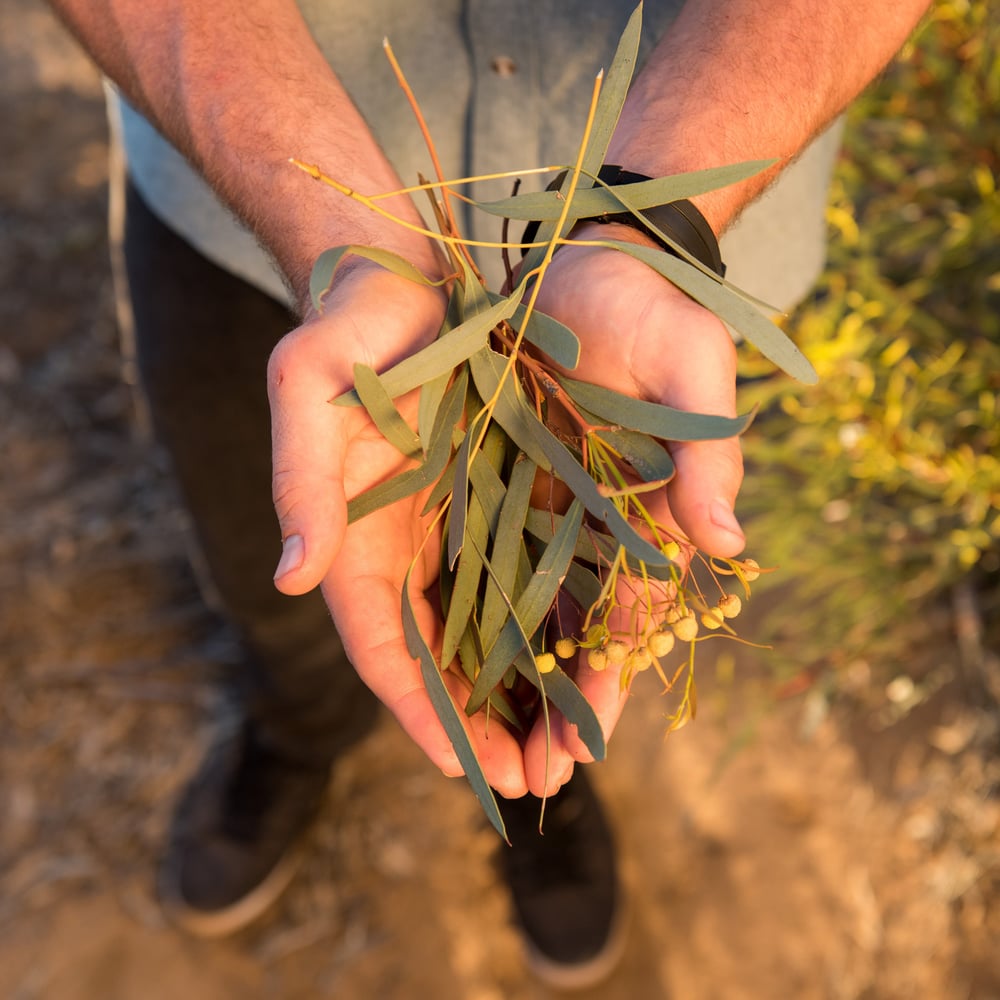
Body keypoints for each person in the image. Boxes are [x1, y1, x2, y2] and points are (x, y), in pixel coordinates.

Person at [48, 0, 932, 987]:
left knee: (567, 607)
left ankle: (537, 790)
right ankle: (296, 729)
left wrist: (654, 226)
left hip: (681, 271)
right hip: (250, 186)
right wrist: (336, 237)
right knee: (282, 571)